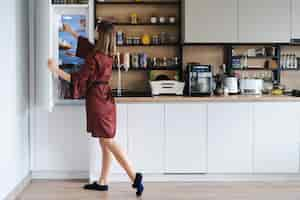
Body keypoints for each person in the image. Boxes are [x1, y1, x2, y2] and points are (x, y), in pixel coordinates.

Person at [47, 21, 144, 196]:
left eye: (96, 30)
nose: (94, 31)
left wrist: (55, 70)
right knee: (104, 140)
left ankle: (134, 176)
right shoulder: (106, 54)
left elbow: (77, 79)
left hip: (98, 101)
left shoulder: (94, 57)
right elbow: (89, 48)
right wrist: (72, 32)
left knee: (107, 140)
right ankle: (103, 181)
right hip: (105, 98)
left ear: (101, 34)